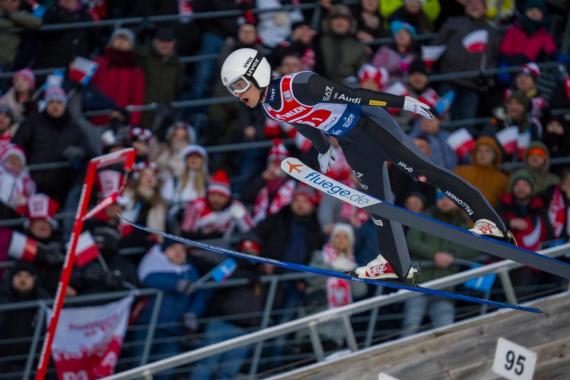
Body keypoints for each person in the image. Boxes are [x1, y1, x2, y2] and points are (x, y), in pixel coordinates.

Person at [220, 47, 515, 281]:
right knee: (375, 201)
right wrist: (322, 148)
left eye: (240, 85)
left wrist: (402, 102)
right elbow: (302, 123)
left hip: (370, 124)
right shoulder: (270, 107)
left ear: (257, 73)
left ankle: (490, 222)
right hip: (349, 140)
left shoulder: (300, 84)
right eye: (233, 90)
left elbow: (354, 94)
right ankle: (396, 263)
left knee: (423, 173)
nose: (238, 94)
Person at [402, 190, 484, 337]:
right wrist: (435, 255)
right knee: (410, 326)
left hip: (445, 284)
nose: (445, 201)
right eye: (441, 198)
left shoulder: (462, 224)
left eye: (449, 199)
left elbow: (475, 246)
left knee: (445, 329)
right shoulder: (423, 217)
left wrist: (453, 254)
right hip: (419, 281)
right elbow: (411, 241)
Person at [0, 262, 49, 374]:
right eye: (19, 276)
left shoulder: (45, 303)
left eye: (27, 276)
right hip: (4, 364)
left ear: (34, 279)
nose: (23, 280)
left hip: (34, 365)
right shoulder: (3, 300)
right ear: (11, 278)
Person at [455, 136, 509, 207]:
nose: (482, 154)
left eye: (487, 151)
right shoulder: (460, 171)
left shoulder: (503, 180)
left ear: (495, 155)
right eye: (479, 150)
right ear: (474, 153)